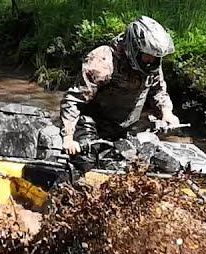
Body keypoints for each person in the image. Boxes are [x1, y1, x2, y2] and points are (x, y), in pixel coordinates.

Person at [60, 16, 181, 156]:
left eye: (155, 56)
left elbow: (158, 91)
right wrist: (68, 137)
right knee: (86, 161)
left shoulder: (150, 66)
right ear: (134, 48)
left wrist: (167, 113)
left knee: (146, 161)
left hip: (129, 126)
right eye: (148, 55)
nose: (151, 60)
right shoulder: (104, 61)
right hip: (93, 125)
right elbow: (74, 99)